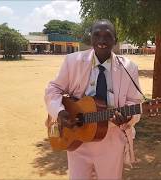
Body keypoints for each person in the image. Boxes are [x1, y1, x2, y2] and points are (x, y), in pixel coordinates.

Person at [44, 19, 142, 180]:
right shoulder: (72, 61)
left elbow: (135, 102)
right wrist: (60, 112)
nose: (102, 41)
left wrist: (128, 116)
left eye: (107, 36)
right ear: (90, 38)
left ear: (115, 40)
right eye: (97, 35)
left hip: (111, 140)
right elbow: (53, 90)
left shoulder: (129, 68)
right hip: (78, 139)